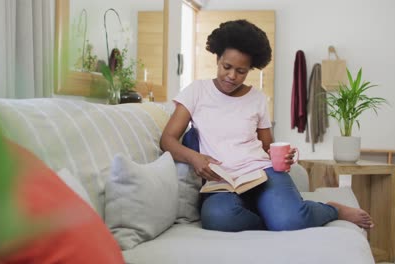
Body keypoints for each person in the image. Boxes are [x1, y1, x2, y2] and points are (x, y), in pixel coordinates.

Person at [160, 19, 373, 232]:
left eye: (241, 71)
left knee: (290, 222)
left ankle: (331, 209)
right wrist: (194, 157)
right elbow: (167, 140)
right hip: (222, 181)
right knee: (218, 218)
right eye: (227, 67)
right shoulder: (197, 91)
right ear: (217, 58)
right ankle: (273, 215)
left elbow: (266, 147)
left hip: (261, 174)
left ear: (251, 69)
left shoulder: (257, 99)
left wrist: (283, 157)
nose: (232, 76)